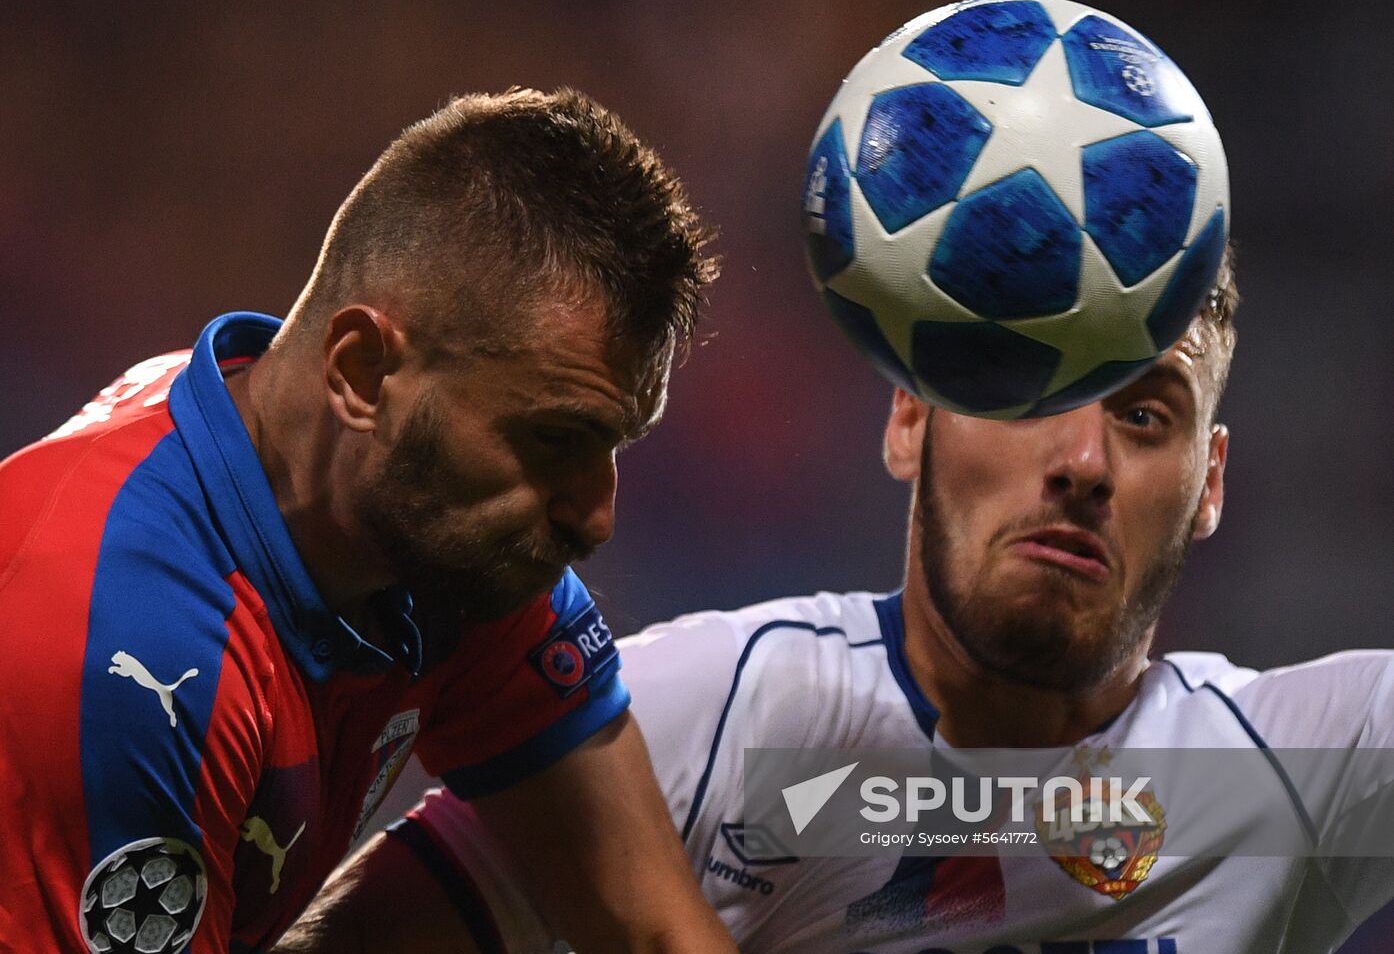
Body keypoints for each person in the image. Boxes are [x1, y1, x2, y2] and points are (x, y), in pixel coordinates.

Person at [275, 254, 1394, 954]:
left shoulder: (1284, 771)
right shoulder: (715, 715)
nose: (1082, 459)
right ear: (910, 417)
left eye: (1144, 415)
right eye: (1024, 387)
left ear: (1207, 484)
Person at [0, 88, 740, 953]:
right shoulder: (123, 658)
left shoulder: (437, 538)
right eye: (555, 438)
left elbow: (654, 931)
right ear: (360, 372)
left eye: (614, 444)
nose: (598, 515)